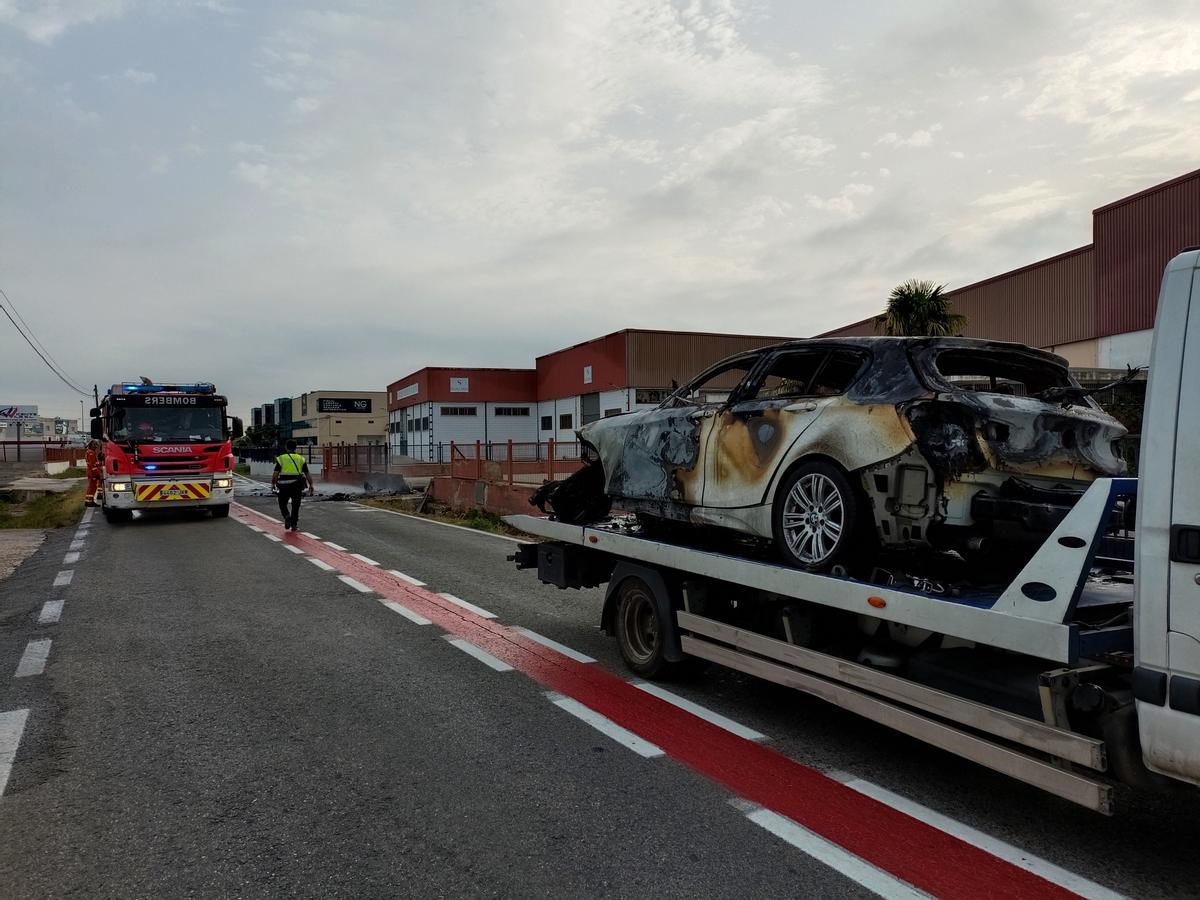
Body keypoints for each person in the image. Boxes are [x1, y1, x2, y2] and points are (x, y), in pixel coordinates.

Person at [272, 440, 314, 530]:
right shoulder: (301, 459)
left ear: (286, 447)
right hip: (297, 485)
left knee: (282, 502)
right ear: (296, 448)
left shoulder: (281, 458)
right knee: (296, 505)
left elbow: (275, 473)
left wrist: (273, 484)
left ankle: (287, 516)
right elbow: (307, 473)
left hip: (283, 485)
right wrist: (311, 485)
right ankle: (294, 525)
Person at [84, 440, 102, 508]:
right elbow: (93, 465)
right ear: (91, 445)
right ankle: (89, 502)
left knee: (92, 487)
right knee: (92, 487)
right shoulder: (91, 453)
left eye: (96, 445)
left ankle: (89, 501)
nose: (95, 447)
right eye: (94, 445)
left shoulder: (90, 452)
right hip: (92, 473)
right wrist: (96, 473)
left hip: (91, 472)